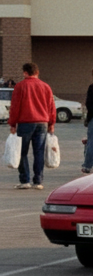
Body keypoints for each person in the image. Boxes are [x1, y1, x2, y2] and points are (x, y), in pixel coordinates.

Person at [8, 62, 56, 190]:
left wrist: (12, 123)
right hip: (42, 123)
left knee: (22, 151)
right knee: (39, 152)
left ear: (25, 73)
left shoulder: (20, 86)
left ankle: (25, 180)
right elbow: (51, 107)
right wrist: (52, 123)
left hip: (25, 122)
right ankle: (38, 181)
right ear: (37, 72)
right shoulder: (46, 87)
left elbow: (15, 107)